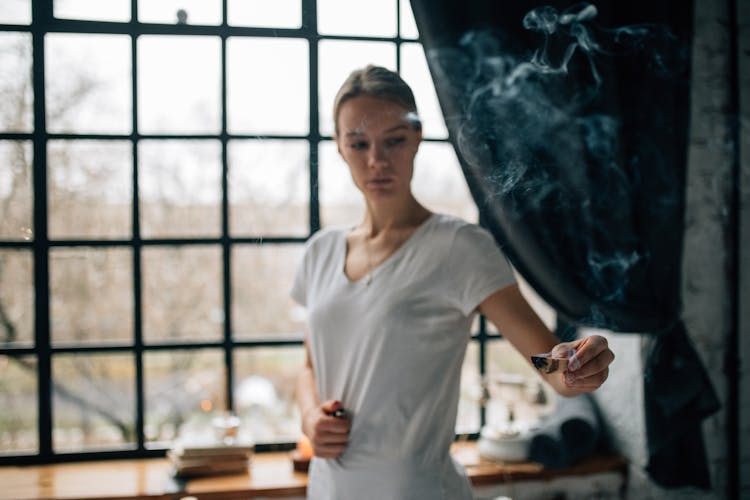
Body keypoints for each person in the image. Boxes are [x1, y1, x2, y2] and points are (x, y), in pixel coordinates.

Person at [292, 65, 615, 500]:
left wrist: (574, 368)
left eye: (393, 141)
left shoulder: (459, 247)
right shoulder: (319, 252)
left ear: (418, 137)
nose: (376, 161)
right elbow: (311, 366)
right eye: (358, 143)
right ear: (338, 145)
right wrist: (311, 416)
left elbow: (548, 364)